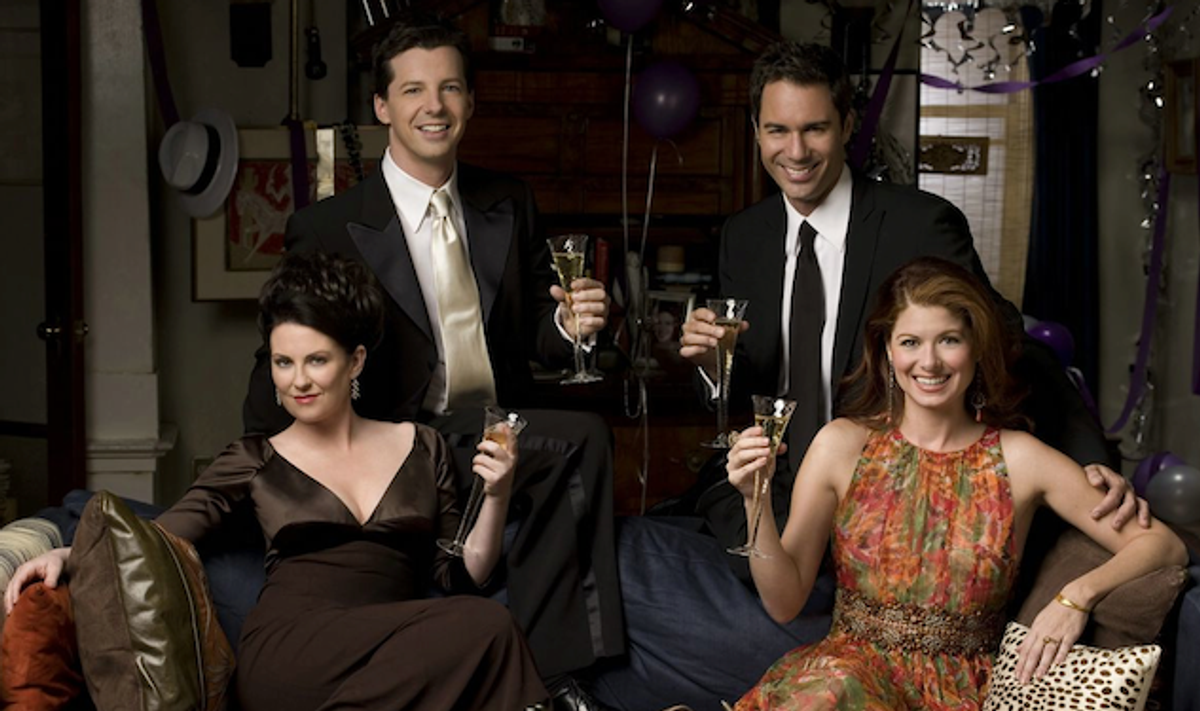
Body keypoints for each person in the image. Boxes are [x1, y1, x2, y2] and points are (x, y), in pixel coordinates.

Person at [589, 40, 1144, 711]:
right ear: (756, 131)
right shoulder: (744, 236)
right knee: (632, 548)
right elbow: (754, 377)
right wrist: (713, 362)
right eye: (778, 130)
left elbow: (1012, 344)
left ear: (849, 126)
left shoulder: (919, 222)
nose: (796, 151)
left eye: (815, 129)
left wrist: (1088, 461)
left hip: (889, 493)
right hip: (789, 484)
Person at [240, 13, 623, 710]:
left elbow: (538, 331)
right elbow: (281, 372)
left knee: (578, 439)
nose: (434, 106)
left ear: (470, 100)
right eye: (413, 90)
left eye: (449, 88)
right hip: (399, 441)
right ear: (383, 106)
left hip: (497, 424)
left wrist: (569, 325)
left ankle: (548, 673)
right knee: (580, 439)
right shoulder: (326, 227)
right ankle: (552, 682)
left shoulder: (509, 199)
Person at [5, 251, 551, 710]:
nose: (298, 381)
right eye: (283, 362)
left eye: (316, 361)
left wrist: (497, 493)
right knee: (488, 626)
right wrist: (70, 553)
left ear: (356, 361)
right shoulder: (255, 458)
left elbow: (462, 573)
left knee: (484, 626)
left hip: (390, 653)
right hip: (291, 652)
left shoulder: (422, 446)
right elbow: (158, 536)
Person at [729, 256, 1187, 709]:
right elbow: (784, 602)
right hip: (842, 681)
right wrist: (756, 499)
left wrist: (1076, 598)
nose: (928, 362)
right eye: (910, 342)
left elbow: (1164, 546)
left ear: (976, 347)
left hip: (958, 694)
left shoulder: (1022, 459)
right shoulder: (840, 445)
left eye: (949, 340)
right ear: (887, 349)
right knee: (832, 692)